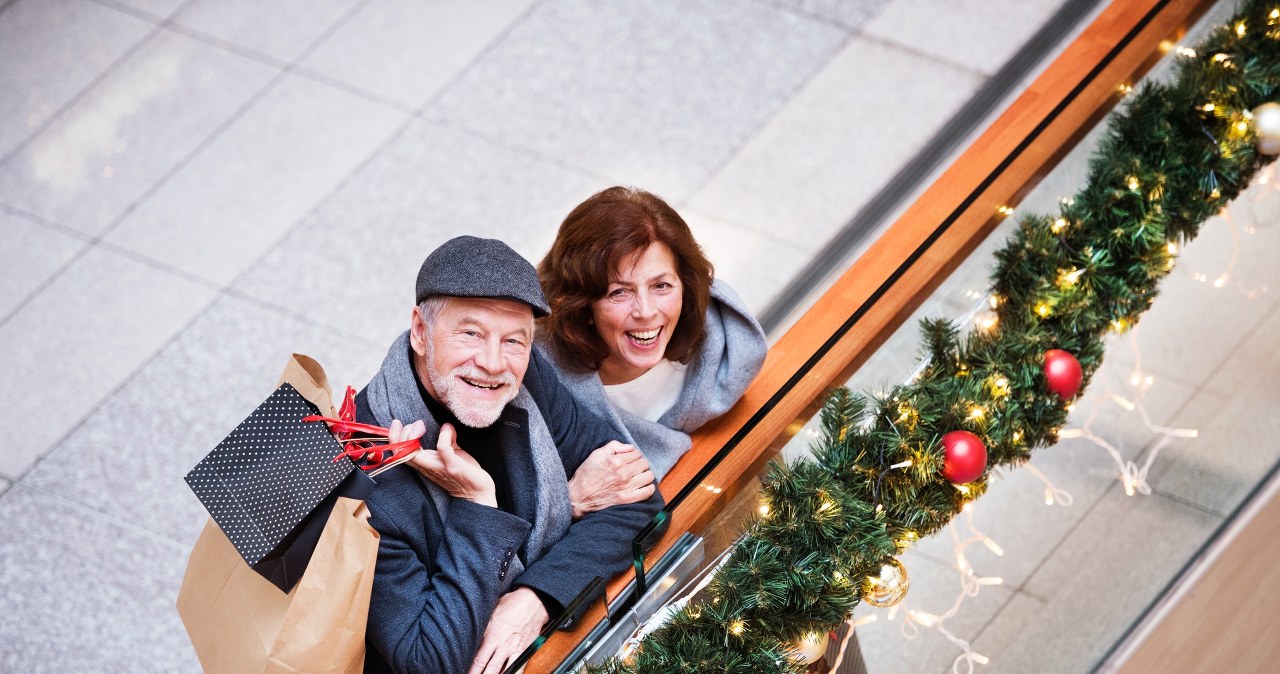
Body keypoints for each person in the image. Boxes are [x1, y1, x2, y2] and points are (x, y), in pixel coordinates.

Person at [355, 236, 663, 674]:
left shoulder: (528, 374)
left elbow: (638, 496)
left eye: (514, 340)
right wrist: (478, 506)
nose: (494, 362)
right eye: (471, 333)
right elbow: (430, 661)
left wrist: (535, 597)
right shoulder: (365, 471)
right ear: (421, 332)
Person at [537, 186, 768, 517]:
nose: (645, 311)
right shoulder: (540, 383)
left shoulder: (728, 348)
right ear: (582, 305)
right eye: (619, 292)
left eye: (661, 286)